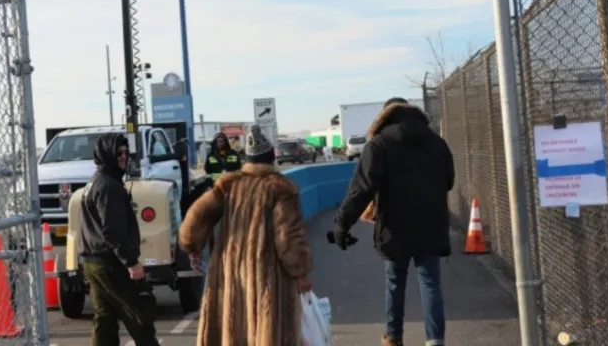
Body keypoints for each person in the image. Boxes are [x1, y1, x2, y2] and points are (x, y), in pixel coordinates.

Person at [332, 97, 455, 346]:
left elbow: (361, 190)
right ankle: (435, 341)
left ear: (385, 116)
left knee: (395, 283)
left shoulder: (379, 145)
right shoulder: (437, 143)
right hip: (431, 226)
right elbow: (449, 180)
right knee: (431, 284)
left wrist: (343, 224)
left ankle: (393, 337)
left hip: (394, 228)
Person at [179, 124, 313, 346]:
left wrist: (192, 248)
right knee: (266, 329)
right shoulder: (281, 188)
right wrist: (301, 272)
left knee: (233, 329)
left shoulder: (229, 185)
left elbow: (196, 217)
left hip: (229, 272)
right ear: (272, 158)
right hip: (266, 274)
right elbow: (288, 235)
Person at [78, 133, 160, 346]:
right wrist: (131, 262)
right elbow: (112, 231)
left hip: (92, 262)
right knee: (138, 316)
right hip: (109, 263)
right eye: (118, 153)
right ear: (106, 154)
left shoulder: (95, 182)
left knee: (104, 320)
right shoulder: (109, 187)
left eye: (126, 152)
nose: (124, 157)